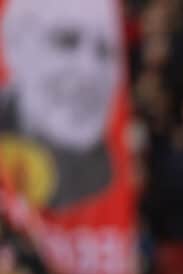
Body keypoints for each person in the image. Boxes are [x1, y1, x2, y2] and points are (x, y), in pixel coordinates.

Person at [0, 0, 122, 208]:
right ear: (15, 44)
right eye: (67, 41)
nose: (88, 73)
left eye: (104, 51)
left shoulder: (110, 177)